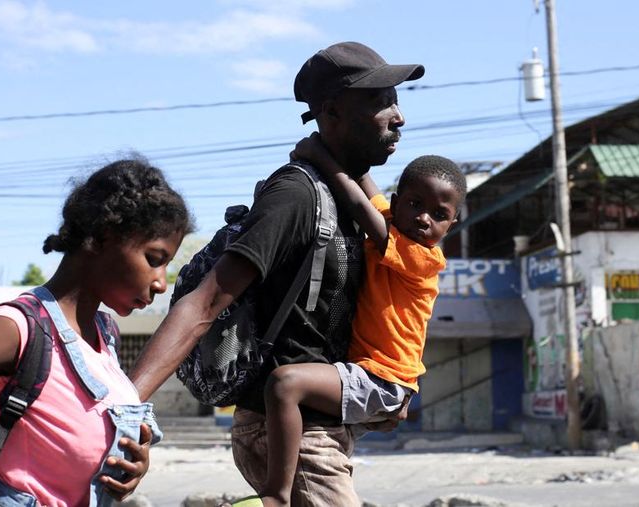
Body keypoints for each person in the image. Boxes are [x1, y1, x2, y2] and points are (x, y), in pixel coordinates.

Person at [130, 41, 425, 506]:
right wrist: (126, 407)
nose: (398, 116)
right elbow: (208, 300)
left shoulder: (355, 201)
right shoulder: (296, 195)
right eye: (379, 101)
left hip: (319, 428)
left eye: (396, 99)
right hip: (292, 436)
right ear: (331, 113)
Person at [0, 158, 192, 506]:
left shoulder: (105, 336)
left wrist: (130, 461)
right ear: (102, 237)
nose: (161, 282)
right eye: (154, 258)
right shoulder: (15, 330)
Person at [246, 140, 466, 506]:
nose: (425, 218)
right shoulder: (395, 224)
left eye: (439, 215)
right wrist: (338, 148)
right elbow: (367, 185)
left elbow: (361, 205)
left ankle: (277, 494)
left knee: (286, 385)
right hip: (371, 373)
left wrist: (319, 155)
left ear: (451, 224)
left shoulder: (423, 257)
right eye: (415, 205)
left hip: (384, 379)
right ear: (397, 204)